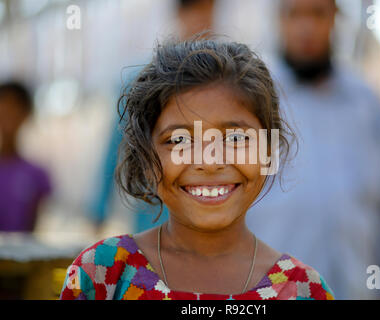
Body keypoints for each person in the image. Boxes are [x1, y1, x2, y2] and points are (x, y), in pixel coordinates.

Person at [60, 39, 335, 300]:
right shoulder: (103, 274)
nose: (211, 161)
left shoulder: (301, 289)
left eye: (236, 138)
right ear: (145, 159)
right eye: (180, 140)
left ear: (268, 151)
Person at [246, 0, 380, 299]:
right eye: (296, 14)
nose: (307, 27)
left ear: (335, 18)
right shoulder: (252, 101)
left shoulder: (365, 105)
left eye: (318, 13)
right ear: (280, 19)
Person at [89, 0, 217, 234]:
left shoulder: (224, 85)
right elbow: (116, 147)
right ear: (179, 14)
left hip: (209, 216)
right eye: (195, 11)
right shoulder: (144, 82)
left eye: (209, 11)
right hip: (155, 217)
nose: (203, 21)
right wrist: (99, 210)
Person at [0, 82, 52, 232]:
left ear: (26, 114)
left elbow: (33, 229)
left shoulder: (37, 174)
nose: (9, 113)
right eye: (4, 106)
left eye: (15, 107)